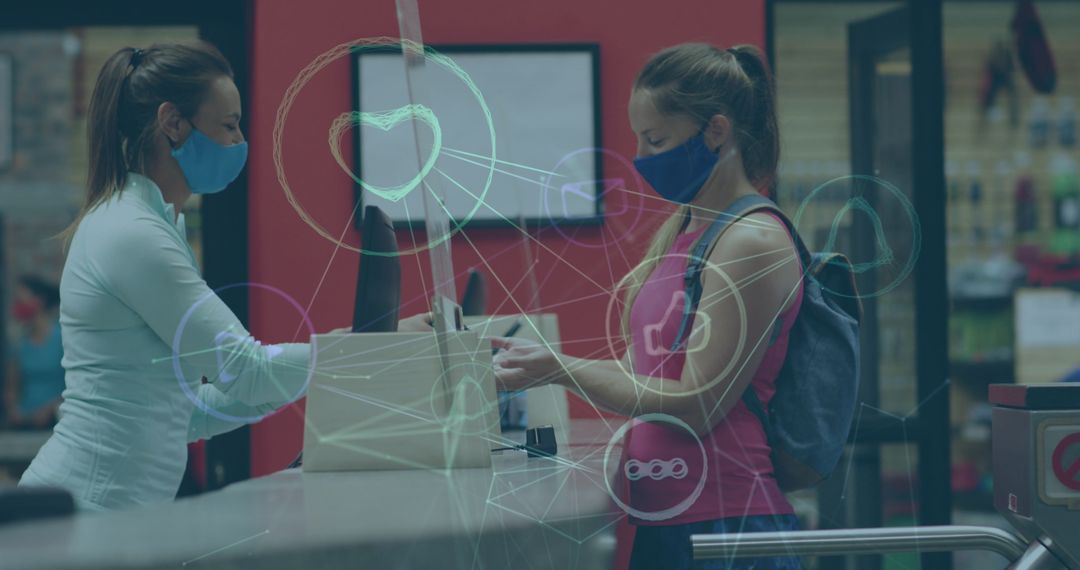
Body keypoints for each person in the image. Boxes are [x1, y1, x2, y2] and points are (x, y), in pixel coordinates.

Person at [18, 42, 428, 511]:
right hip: (84, 516)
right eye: (229, 126)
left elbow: (191, 411)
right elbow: (246, 372)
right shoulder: (132, 233)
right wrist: (363, 352)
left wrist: (350, 347)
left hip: (112, 516)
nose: (238, 142)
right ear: (173, 123)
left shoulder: (155, 224)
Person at [493, 43, 804, 570]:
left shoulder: (751, 241)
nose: (641, 157)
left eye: (656, 140)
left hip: (725, 526)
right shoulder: (685, 229)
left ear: (716, 130)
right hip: (670, 519)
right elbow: (659, 376)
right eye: (638, 138)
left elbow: (698, 404)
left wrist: (560, 370)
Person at [4, 275, 65, 430]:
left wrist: (50, 409)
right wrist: (13, 409)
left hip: (55, 421)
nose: (18, 304)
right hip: (24, 421)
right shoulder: (19, 341)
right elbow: (12, 385)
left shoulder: (62, 338)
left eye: (22, 298)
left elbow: (76, 384)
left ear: (39, 301)